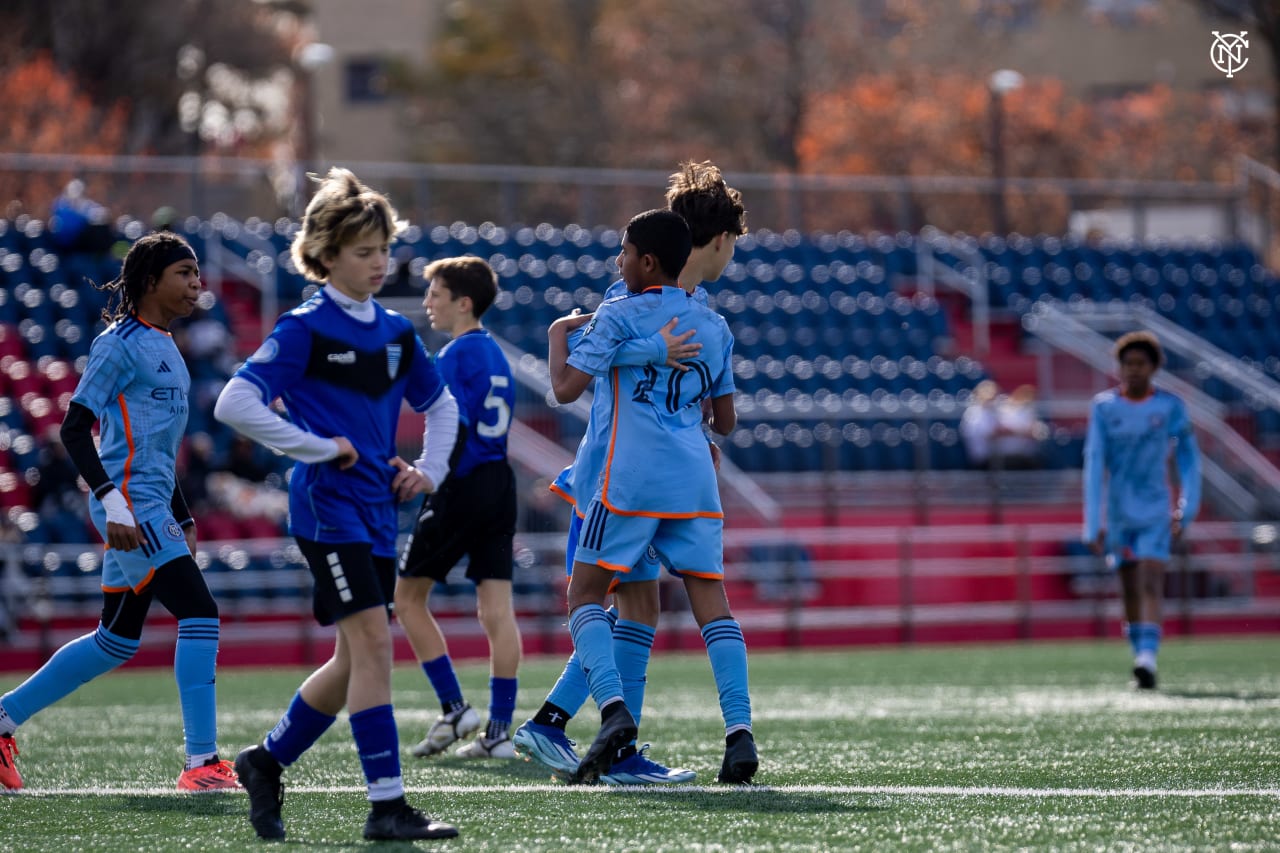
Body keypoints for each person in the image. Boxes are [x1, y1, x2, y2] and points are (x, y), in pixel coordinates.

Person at [213, 167, 460, 842]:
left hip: (379, 511)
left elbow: (439, 405)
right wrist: (317, 448)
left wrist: (430, 470)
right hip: (327, 510)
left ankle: (265, 760)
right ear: (324, 256)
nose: (380, 262)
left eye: (384, 249)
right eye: (363, 251)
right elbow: (233, 401)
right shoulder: (303, 328)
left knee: (356, 657)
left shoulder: (395, 332)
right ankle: (386, 806)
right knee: (375, 643)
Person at [513, 161, 748, 785]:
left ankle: (585, 734)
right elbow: (581, 382)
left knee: (637, 607)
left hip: (641, 477)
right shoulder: (633, 302)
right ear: (719, 241)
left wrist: (689, 439)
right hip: (609, 480)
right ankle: (569, 725)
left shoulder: (678, 306)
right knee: (614, 602)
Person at [0, 232, 238, 792]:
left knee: (116, 640)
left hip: (152, 507)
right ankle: (201, 764)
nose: (196, 283)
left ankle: (2, 718)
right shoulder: (118, 344)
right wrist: (114, 506)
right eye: (184, 273)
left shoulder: (168, 346)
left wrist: (183, 516)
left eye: (198, 272)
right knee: (200, 614)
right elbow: (74, 428)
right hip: (129, 505)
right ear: (150, 280)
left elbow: (159, 448)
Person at [394, 256, 522, 760]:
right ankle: (499, 732)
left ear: (463, 303)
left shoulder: (452, 355)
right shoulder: (496, 355)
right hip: (499, 484)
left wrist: (430, 475)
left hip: (463, 484)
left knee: (407, 599)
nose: (428, 302)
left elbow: (455, 427)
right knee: (497, 611)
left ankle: (453, 708)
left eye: (436, 294)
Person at [1083, 330, 1201, 691]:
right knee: (1129, 585)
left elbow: (1189, 459)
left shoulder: (1170, 407)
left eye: (1140, 363)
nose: (1133, 370)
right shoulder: (1104, 407)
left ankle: (1148, 658)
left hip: (1154, 509)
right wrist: (1092, 522)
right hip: (1119, 513)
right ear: (1119, 367)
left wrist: (1188, 507)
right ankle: (1141, 658)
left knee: (1151, 579)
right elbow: (1094, 462)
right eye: (1127, 363)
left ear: (1153, 367)